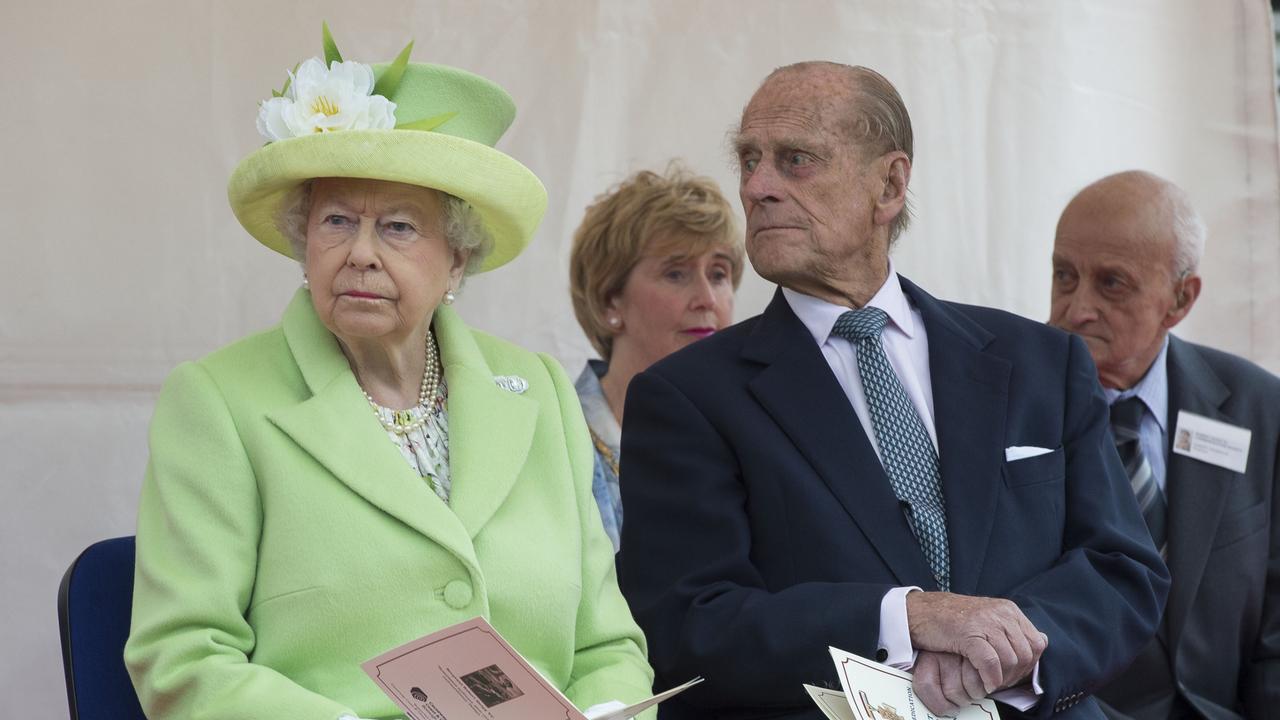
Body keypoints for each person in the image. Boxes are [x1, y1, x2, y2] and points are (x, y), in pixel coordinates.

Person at [124, 29, 654, 720]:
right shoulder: (221, 401)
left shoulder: (541, 392)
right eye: (337, 221)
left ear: (457, 259)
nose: (361, 254)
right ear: (303, 240)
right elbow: (184, 657)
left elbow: (606, 647)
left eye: (399, 227)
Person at [615, 61, 1169, 720]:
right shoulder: (687, 397)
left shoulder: (1040, 363)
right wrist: (904, 620)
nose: (757, 187)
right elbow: (689, 623)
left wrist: (1004, 654)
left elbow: (1121, 569)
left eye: (795, 160)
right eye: (749, 160)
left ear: (890, 183)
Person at [1049, 170, 1279, 719]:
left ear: (1180, 298)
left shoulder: (1256, 406)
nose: (1077, 308)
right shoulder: (1007, 412)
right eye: (1064, 275)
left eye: (1111, 283)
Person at [568, 166, 744, 550]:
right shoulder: (558, 439)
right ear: (610, 300)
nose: (707, 299)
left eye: (718, 274)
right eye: (676, 274)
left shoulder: (751, 437)